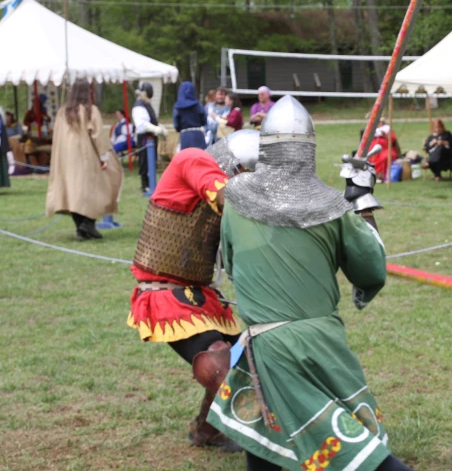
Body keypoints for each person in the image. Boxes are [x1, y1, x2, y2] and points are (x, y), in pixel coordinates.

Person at [207, 95, 414, 471]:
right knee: (290, 443)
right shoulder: (333, 206)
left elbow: (234, 265)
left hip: (266, 340)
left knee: (346, 449)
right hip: (315, 342)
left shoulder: (235, 200)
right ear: (310, 150)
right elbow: (371, 270)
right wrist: (360, 200)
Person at [127, 129, 260, 452]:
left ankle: (208, 430)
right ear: (232, 163)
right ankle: (238, 434)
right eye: (245, 171)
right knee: (218, 362)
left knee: (251, 359)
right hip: (165, 295)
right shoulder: (193, 159)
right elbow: (230, 196)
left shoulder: (224, 187)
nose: (249, 179)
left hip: (203, 296)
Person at [45, 79, 124, 241]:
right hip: (85, 157)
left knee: (74, 192)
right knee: (91, 191)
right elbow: (98, 136)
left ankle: (83, 228)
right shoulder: (90, 111)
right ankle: (86, 225)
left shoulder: (62, 112)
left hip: (66, 160)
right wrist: (104, 156)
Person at [132, 82, 168, 193]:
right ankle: (145, 185)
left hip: (151, 138)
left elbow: (151, 120)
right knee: (144, 161)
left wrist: (159, 127)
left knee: (152, 160)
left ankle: (152, 184)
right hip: (144, 137)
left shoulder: (146, 103)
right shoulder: (139, 105)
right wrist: (155, 129)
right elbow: (142, 124)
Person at [173, 81, 208, 150]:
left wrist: (178, 128)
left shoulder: (177, 106)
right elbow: (204, 119)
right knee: (200, 155)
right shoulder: (197, 105)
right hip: (198, 134)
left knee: (187, 157)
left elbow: (176, 124)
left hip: (185, 135)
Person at [368, 117, 400, 182]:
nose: (379, 124)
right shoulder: (372, 129)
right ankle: (374, 176)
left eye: (381, 122)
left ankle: (383, 176)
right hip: (373, 150)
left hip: (386, 149)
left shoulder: (387, 129)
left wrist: (384, 135)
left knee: (385, 157)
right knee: (371, 158)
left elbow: (393, 139)